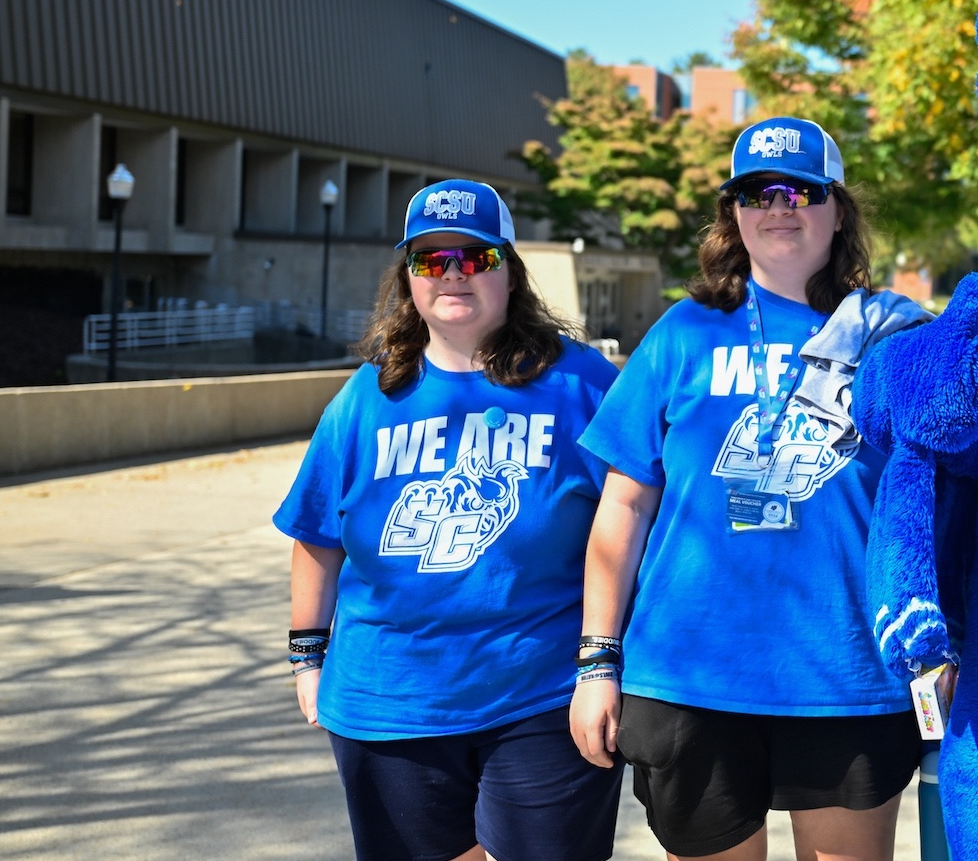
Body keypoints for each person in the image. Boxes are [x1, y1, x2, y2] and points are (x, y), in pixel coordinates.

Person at [569, 117, 927, 861]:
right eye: (757, 191)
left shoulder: (892, 336)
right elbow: (623, 507)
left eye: (802, 189)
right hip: (693, 670)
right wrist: (597, 663)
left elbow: (933, 500)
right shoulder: (682, 332)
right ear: (733, 212)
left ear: (838, 208)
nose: (780, 206)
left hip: (844, 668)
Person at [275, 179, 624, 861]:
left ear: (509, 272)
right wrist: (306, 659)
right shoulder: (368, 398)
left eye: (476, 257)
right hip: (391, 695)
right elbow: (317, 537)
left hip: (544, 688)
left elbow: (634, 522)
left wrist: (605, 664)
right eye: (433, 260)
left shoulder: (579, 384)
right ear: (409, 279)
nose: (454, 273)